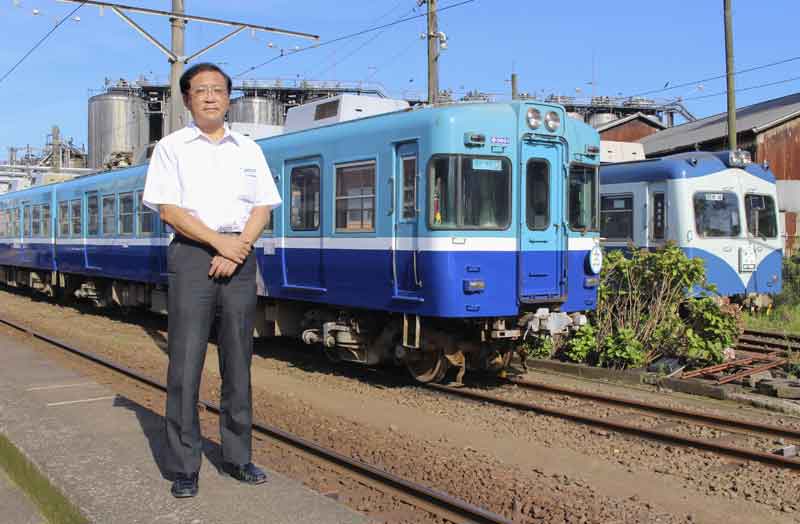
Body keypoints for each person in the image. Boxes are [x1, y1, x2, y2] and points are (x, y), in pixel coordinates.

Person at [142, 62, 281, 498]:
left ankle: (237, 457)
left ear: (228, 98)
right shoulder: (171, 147)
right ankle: (184, 465)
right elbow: (170, 210)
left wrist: (236, 247)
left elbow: (263, 207)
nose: (209, 96)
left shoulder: (248, 149)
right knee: (185, 363)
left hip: (239, 258)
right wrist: (220, 245)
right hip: (191, 256)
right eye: (200, 90)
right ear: (186, 99)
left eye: (218, 90)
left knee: (238, 361)